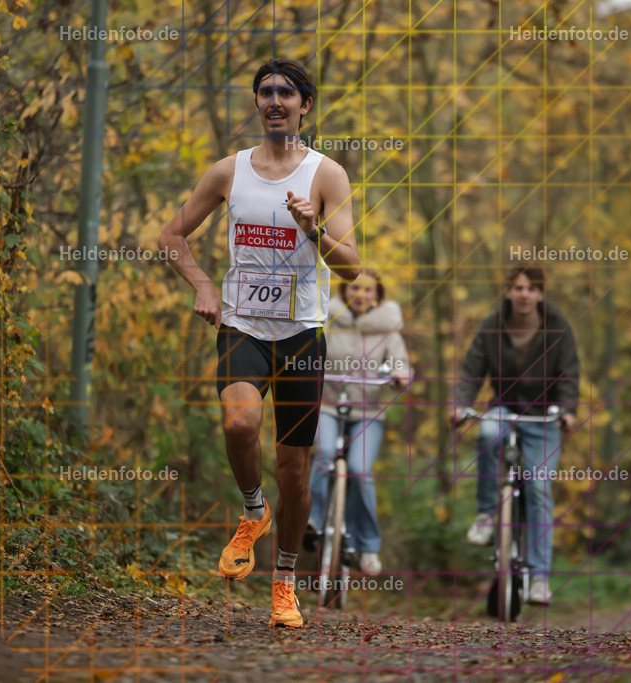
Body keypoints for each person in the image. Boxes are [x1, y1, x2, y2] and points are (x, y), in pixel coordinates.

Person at [157, 58, 361, 628]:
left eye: (287, 93)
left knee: (295, 471)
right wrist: (202, 285)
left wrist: (311, 228)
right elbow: (172, 237)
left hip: (301, 335)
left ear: (305, 105)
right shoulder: (230, 171)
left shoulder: (327, 176)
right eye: (265, 92)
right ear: (256, 103)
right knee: (239, 424)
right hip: (243, 325)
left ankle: (285, 583)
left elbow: (350, 268)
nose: (275, 101)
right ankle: (253, 512)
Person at [453, 265, 579, 605]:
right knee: (488, 433)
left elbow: (569, 374)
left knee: (539, 489)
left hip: (542, 416)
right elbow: (472, 369)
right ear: (508, 291)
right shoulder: (492, 324)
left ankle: (539, 578)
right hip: (504, 408)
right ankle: (485, 515)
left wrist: (567, 411)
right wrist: (462, 405)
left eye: (531, 289)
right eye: (518, 288)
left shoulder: (558, 327)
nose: (524, 294)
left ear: (540, 294)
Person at [305, 268, 411, 575]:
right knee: (324, 456)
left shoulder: (388, 330)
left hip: (367, 413)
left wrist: (400, 375)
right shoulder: (327, 319)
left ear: (378, 295)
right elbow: (310, 349)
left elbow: (399, 362)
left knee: (360, 471)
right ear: (343, 292)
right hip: (327, 405)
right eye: (354, 289)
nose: (360, 295)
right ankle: (312, 520)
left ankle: (367, 547)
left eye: (368, 290)